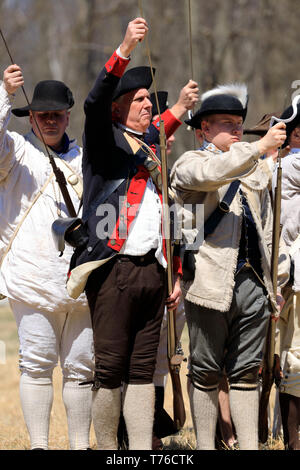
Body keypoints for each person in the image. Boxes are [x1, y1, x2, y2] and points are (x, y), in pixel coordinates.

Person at [67, 17, 182, 451]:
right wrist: (125, 48)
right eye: (137, 100)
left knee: (141, 372)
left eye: (147, 100)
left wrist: (178, 274)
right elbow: (94, 103)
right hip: (113, 270)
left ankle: (140, 451)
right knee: (111, 369)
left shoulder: (157, 150)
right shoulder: (103, 139)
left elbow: (172, 214)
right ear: (119, 109)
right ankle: (108, 450)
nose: (147, 105)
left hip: (154, 271)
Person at [170, 83, 290, 450]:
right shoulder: (189, 163)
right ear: (203, 129)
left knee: (246, 374)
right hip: (207, 282)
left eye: (239, 123)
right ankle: (206, 446)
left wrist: (277, 283)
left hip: (254, 284)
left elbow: (270, 230)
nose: (236, 130)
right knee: (205, 371)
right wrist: (258, 148)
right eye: (225, 123)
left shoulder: (257, 169)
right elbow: (213, 173)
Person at [0, 66, 94, 450]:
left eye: (57, 114)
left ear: (68, 116)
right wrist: (4, 92)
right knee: (36, 365)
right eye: (43, 115)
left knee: (81, 369)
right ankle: (39, 445)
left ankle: (79, 446)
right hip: (33, 277)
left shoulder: (85, 159)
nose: (51, 120)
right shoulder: (15, 151)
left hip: (81, 280)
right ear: (31, 117)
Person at [273, 101, 300, 450]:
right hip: (287, 272)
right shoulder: (286, 165)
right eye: (297, 133)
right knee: (291, 357)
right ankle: (291, 441)